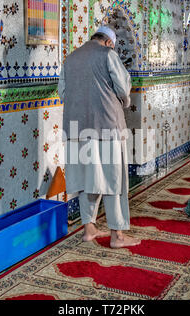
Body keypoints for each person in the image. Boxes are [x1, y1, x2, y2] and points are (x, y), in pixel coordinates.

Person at [58, 26, 141, 248]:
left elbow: (63, 92)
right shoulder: (108, 55)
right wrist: (122, 102)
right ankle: (117, 236)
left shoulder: (71, 58)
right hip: (106, 126)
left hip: (76, 129)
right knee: (114, 180)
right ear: (110, 42)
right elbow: (123, 89)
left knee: (88, 179)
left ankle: (89, 229)